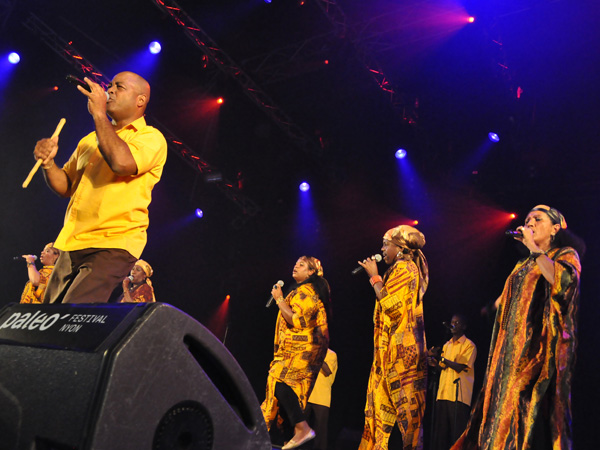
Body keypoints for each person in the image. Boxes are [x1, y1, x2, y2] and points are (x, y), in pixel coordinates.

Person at [451, 205, 584, 450]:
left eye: (538, 219)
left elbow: (561, 283)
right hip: (508, 352)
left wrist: (534, 249)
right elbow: (507, 297)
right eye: (528, 219)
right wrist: (491, 308)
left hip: (538, 351)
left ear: (555, 228)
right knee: (498, 406)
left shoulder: (565, 254)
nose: (530, 223)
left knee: (526, 408)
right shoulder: (522, 264)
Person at [32, 71, 167, 304]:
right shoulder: (90, 139)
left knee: (71, 316)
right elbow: (65, 186)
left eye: (119, 87)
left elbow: (122, 163)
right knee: (48, 316)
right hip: (73, 240)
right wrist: (48, 163)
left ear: (140, 100)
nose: (110, 90)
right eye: (110, 85)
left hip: (113, 242)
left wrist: (98, 113)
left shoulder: (151, 138)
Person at [357, 225, 429, 450]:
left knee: (408, 416)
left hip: (402, 357)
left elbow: (393, 308)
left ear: (399, 248)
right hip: (388, 354)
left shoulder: (405, 269)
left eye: (385, 244)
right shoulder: (396, 269)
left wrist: (374, 277)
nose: (381, 248)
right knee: (378, 412)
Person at [261, 256, 330, 450]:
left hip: (303, 350)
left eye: (302, 265)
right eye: (296, 263)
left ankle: (302, 427)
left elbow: (296, 321)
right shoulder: (304, 291)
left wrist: (279, 299)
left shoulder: (306, 292)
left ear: (311, 272)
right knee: (283, 399)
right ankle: (291, 435)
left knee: (278, 381)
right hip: (297, 350)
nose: (296, 266)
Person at [428, 314, 477, 450]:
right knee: (440, 436)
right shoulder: (447, 345)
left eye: (457, 322)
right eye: (452, 322)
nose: (453, 325)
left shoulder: (469, 345)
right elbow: (443, 369)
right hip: (443, 394)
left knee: (456, 436)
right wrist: (435, 363)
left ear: (464, 326)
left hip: (459, 397)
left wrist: (442, 360)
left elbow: (460, 367)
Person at [305, 348, 338, 450]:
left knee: (320, 432)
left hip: (321, 398)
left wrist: (317, 356)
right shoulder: (309, 351)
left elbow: (327, 371)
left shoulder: (331, 354)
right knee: (299, 428)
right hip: (306, 395)